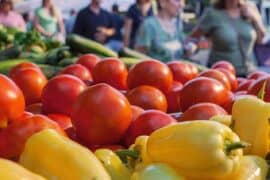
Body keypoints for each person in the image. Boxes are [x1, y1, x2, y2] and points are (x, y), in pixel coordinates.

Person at [191, 0, 266, 76]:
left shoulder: (250, 9)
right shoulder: (213, 13)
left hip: (249, 72)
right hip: (220, 74)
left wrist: (256, 18)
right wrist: (196, 47)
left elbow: (261, 40)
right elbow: (193, 38)